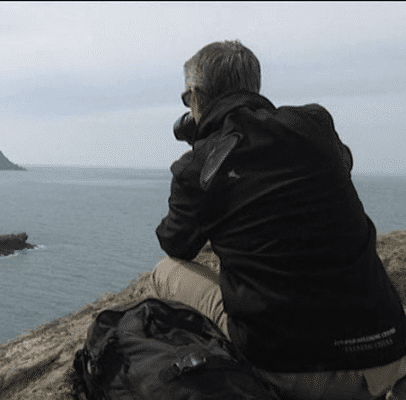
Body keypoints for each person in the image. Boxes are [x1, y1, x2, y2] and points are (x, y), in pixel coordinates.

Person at [150, 40, 406, 400]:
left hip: (297, 371)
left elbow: (175, 243)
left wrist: (197, 159)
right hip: (389, 356)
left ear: (195, 95)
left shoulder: (198, 167)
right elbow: (340, 163)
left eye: (185, 99)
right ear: (253, 85)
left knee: (164, 271)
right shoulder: (315, 123)